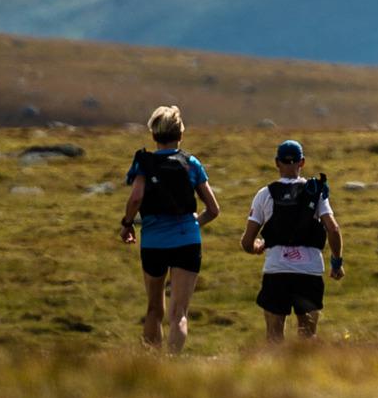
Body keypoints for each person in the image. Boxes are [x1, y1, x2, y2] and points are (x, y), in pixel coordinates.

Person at [120, 103, 220, 354]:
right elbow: (213, 209)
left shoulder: (144, 163)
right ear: (181, 134)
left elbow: (135, 198)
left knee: (154, 308)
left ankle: (151, 364)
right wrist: (194, 223)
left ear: (154, 135)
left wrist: (127, 224)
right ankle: (172, 363)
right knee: (179, 314)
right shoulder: (190, 163)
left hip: (153, 242)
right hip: (187, 242)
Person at [240, 138, 342, 343]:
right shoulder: (316, 192)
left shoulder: (264, 194)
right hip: (309, 271)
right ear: (301, 162)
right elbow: (333, 228)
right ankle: (305, 373)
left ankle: (276, 374)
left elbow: (247, 241)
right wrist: (336, 263)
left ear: (277, 163)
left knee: (274, 336)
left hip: (276, 271)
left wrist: (256, 247)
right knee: (308, 336)